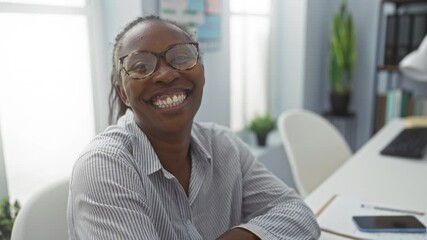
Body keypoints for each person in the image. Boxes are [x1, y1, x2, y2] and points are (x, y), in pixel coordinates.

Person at [67, 15, 320, 240]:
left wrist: (244, 235)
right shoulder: (104, 166)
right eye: (141, 66)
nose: (165, 74)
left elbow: (299, 215)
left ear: (201, 71)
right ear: (123, 93)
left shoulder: (223, 145)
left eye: (181, 58)